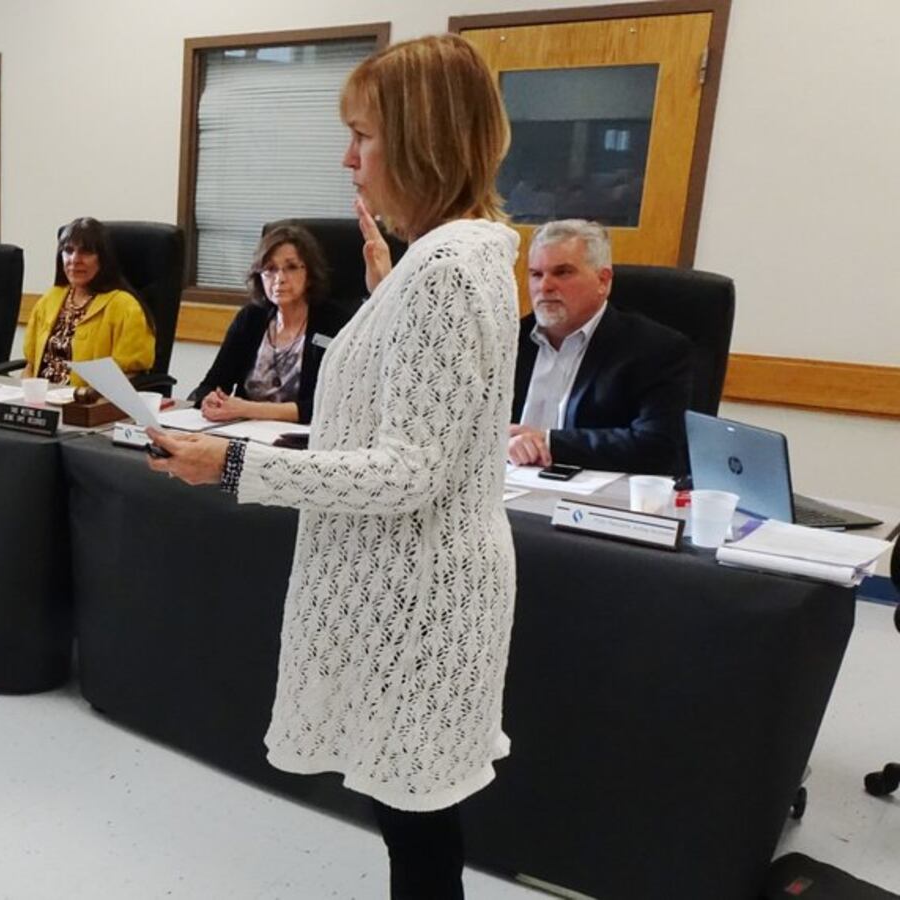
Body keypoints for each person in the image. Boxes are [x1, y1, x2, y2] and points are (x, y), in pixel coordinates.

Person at [146, 34, 519, 899]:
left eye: (365, 135)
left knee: (418, 826)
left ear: (423, 140)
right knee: (415, 823)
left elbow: (407, 469)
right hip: (424, 581)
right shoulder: (457, 255)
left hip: (423, 592)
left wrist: (236, 466)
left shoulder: (445, 270)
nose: (347, 157)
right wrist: (392, 285)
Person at [507, 218, 693, 475]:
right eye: (536, 274)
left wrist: (548, 442)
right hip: (502, 491)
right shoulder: (507, 341)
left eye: (562, 272)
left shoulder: (656, 349)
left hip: (593, 502)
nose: (545, 286)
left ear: (603, 281)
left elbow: (659, 446)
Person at [189, 224, 358, 425]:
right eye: (270, 269)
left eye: (292, 267)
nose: (280, 279)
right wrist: (210, 399)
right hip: (243, 431)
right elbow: (212, 384)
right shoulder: (251, 318)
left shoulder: (334, 323)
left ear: (310, 275)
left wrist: (247, 408)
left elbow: (326, 406)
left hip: (302, 439)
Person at [22, 217, 154, 387]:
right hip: (42, 403)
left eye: (85, 252)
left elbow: (130, 374)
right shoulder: (50, 299)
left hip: (87, 404)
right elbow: (30, 364)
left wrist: (85, 399)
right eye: (68, 251)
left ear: (103, 259)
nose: (74, 260)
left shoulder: (125, 306)